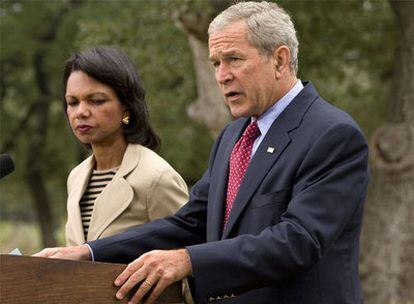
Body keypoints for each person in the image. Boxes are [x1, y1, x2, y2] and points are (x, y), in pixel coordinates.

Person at [36, 2, 370, 304]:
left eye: (234, 60)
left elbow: (298, 240)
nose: (222, 76)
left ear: (280, 60)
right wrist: (90, 252)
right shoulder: (233, 135)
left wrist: (187, 261)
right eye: (216, 63)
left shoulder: (332, 135)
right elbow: (191, 222)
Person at [60, 46, 188, 246]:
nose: (81, 112)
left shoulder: (156, 177)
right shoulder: (76, 177)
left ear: (126, 109)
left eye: (96, 101)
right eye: (73, 102)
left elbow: (187, 256)